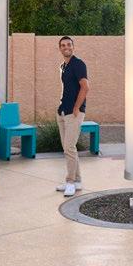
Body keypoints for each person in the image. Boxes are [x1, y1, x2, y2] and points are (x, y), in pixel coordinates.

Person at [56, 36, 89, 197]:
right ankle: (77, 180)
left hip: (74, 113)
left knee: (69, 148)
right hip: (63, 111)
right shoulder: (63, 66)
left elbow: (85, 87)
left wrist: (76, 107)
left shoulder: (78, 64)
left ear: (73, 47)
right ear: (60, 48)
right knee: (68, 148)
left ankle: (70, 182)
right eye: (63, 45)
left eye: (69, 44)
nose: (66, 47)